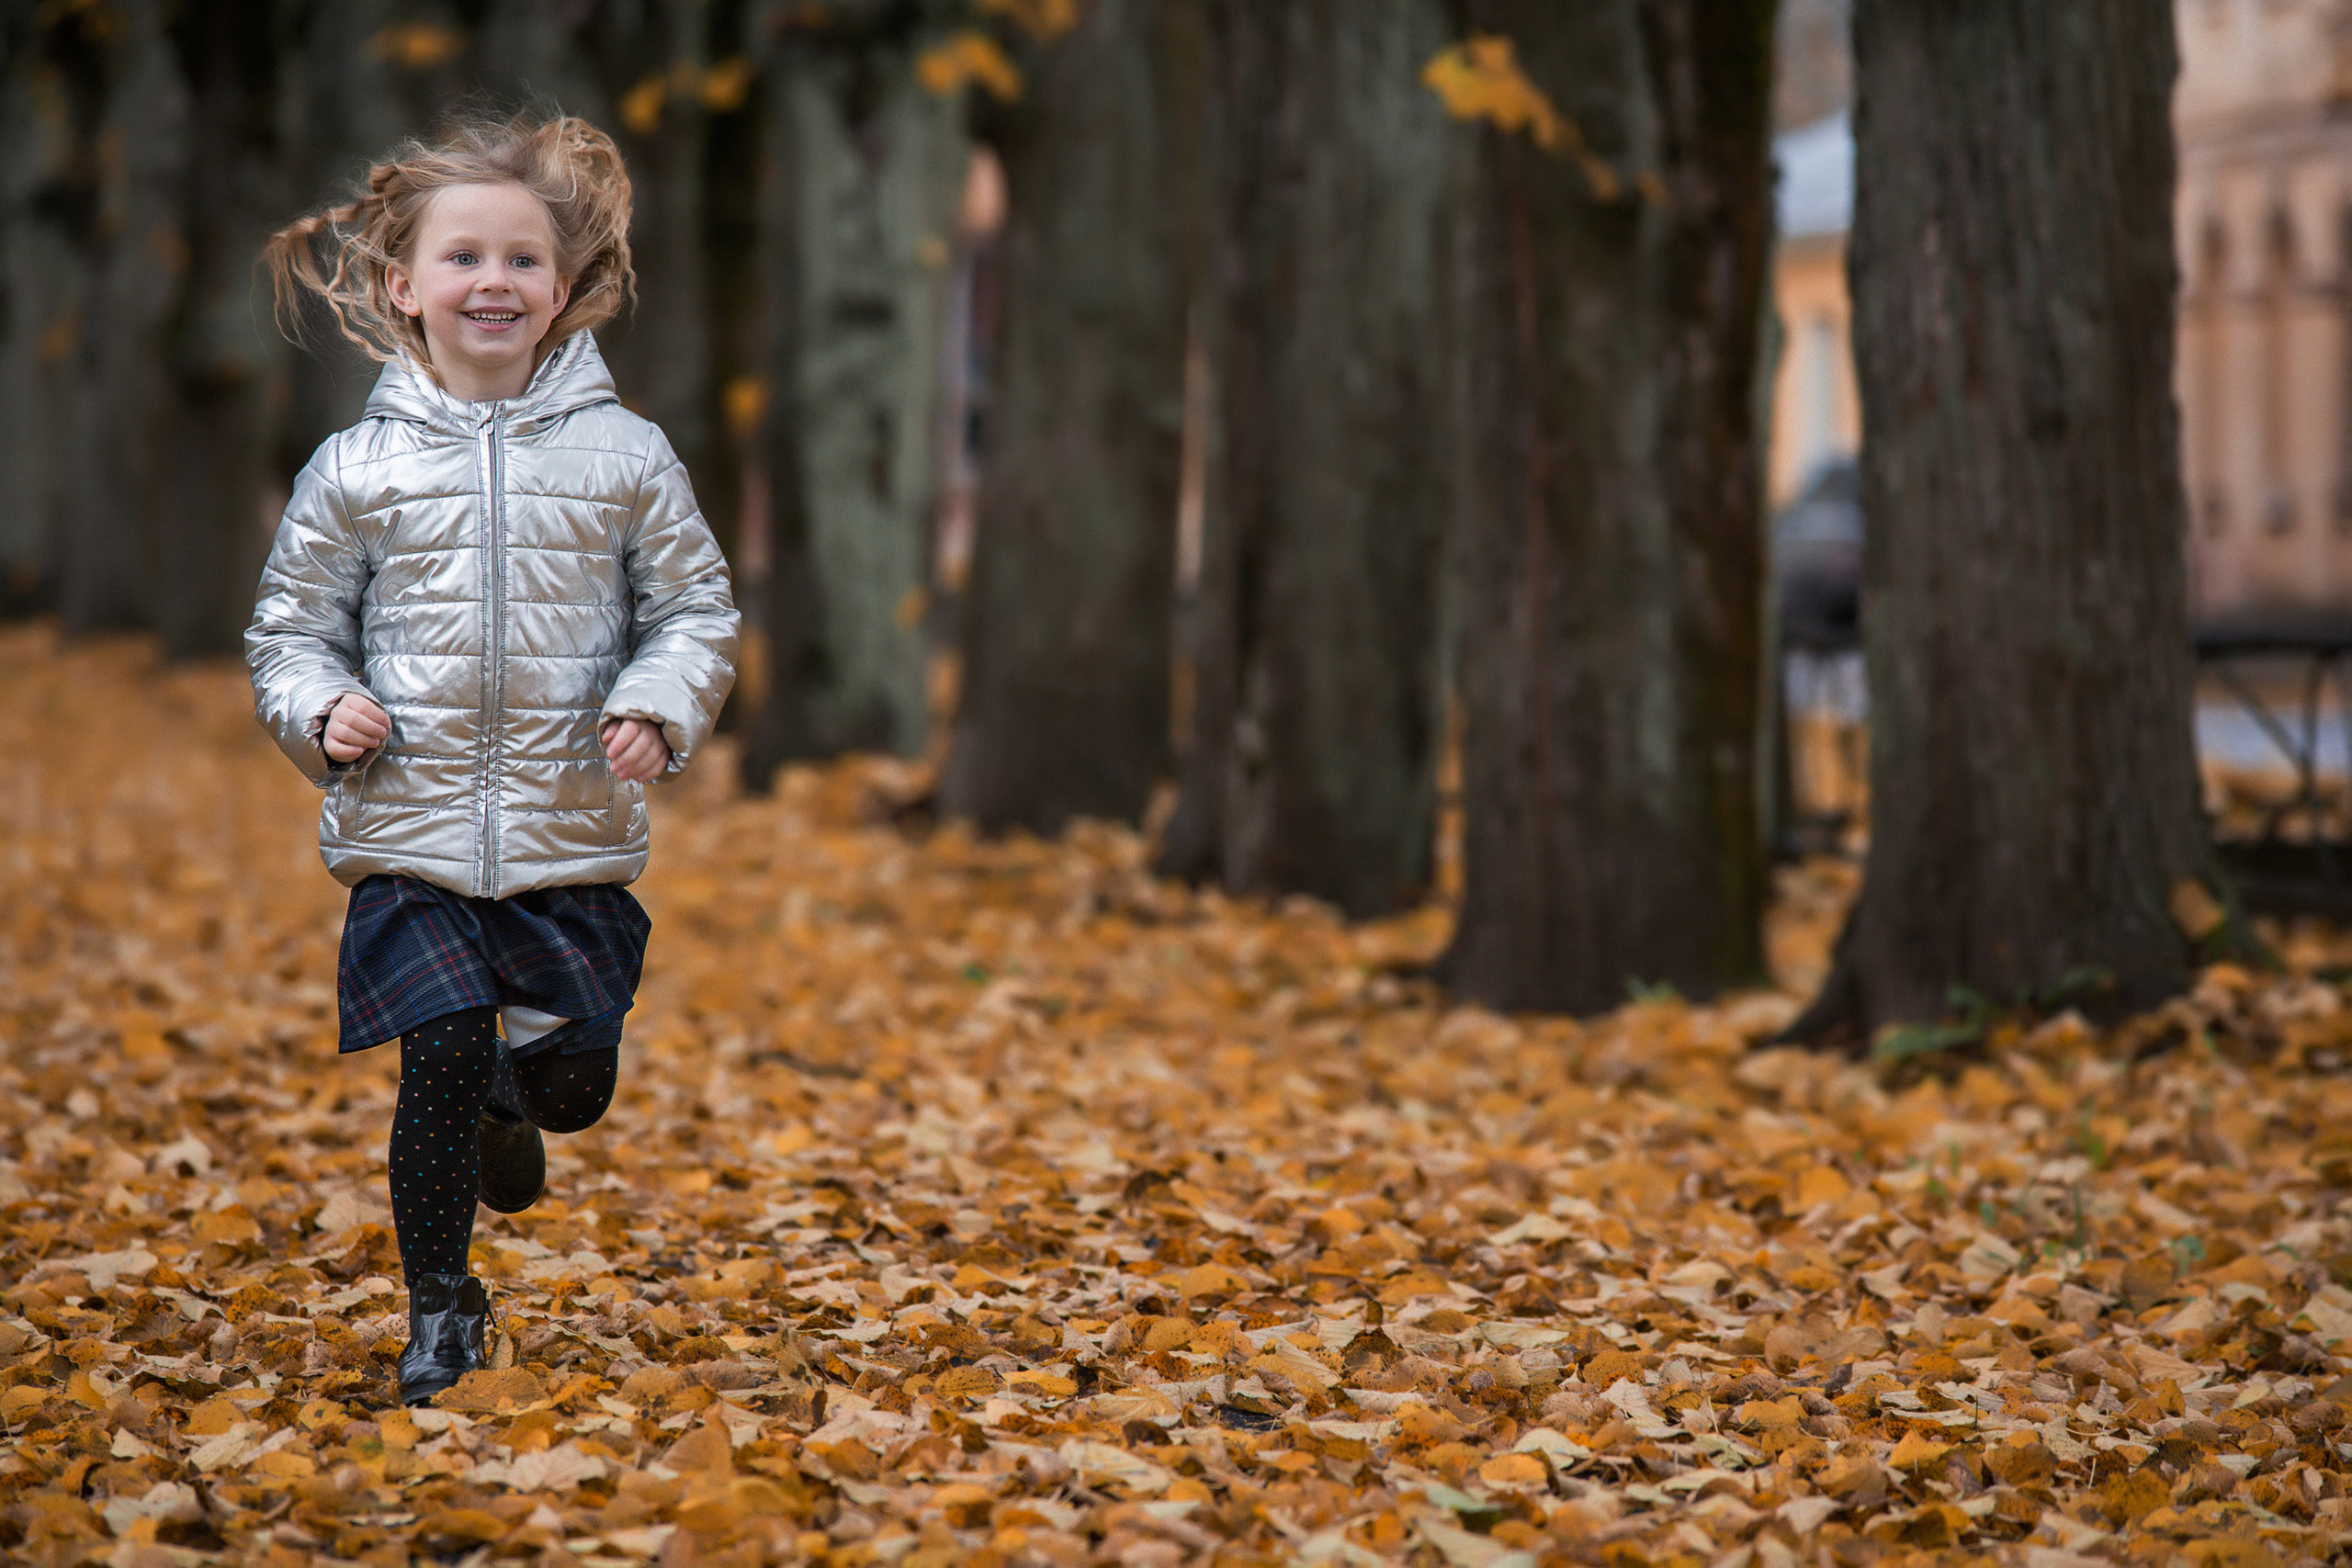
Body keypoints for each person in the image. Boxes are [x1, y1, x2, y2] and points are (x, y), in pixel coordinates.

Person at [249, 113, 738, 1406]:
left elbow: (693, 612)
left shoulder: (626, 457)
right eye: (463, 257)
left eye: (523, 261)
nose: (494, 282)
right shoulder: (355, 471)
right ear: (405, 287)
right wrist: (322, 711)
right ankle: (442, 1309)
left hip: (569, 829)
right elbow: (293, 629)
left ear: (563, 289)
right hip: (406, 828)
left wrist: (659, 703)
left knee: (572, 1087)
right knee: (442, 1047)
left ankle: (519, 1115)